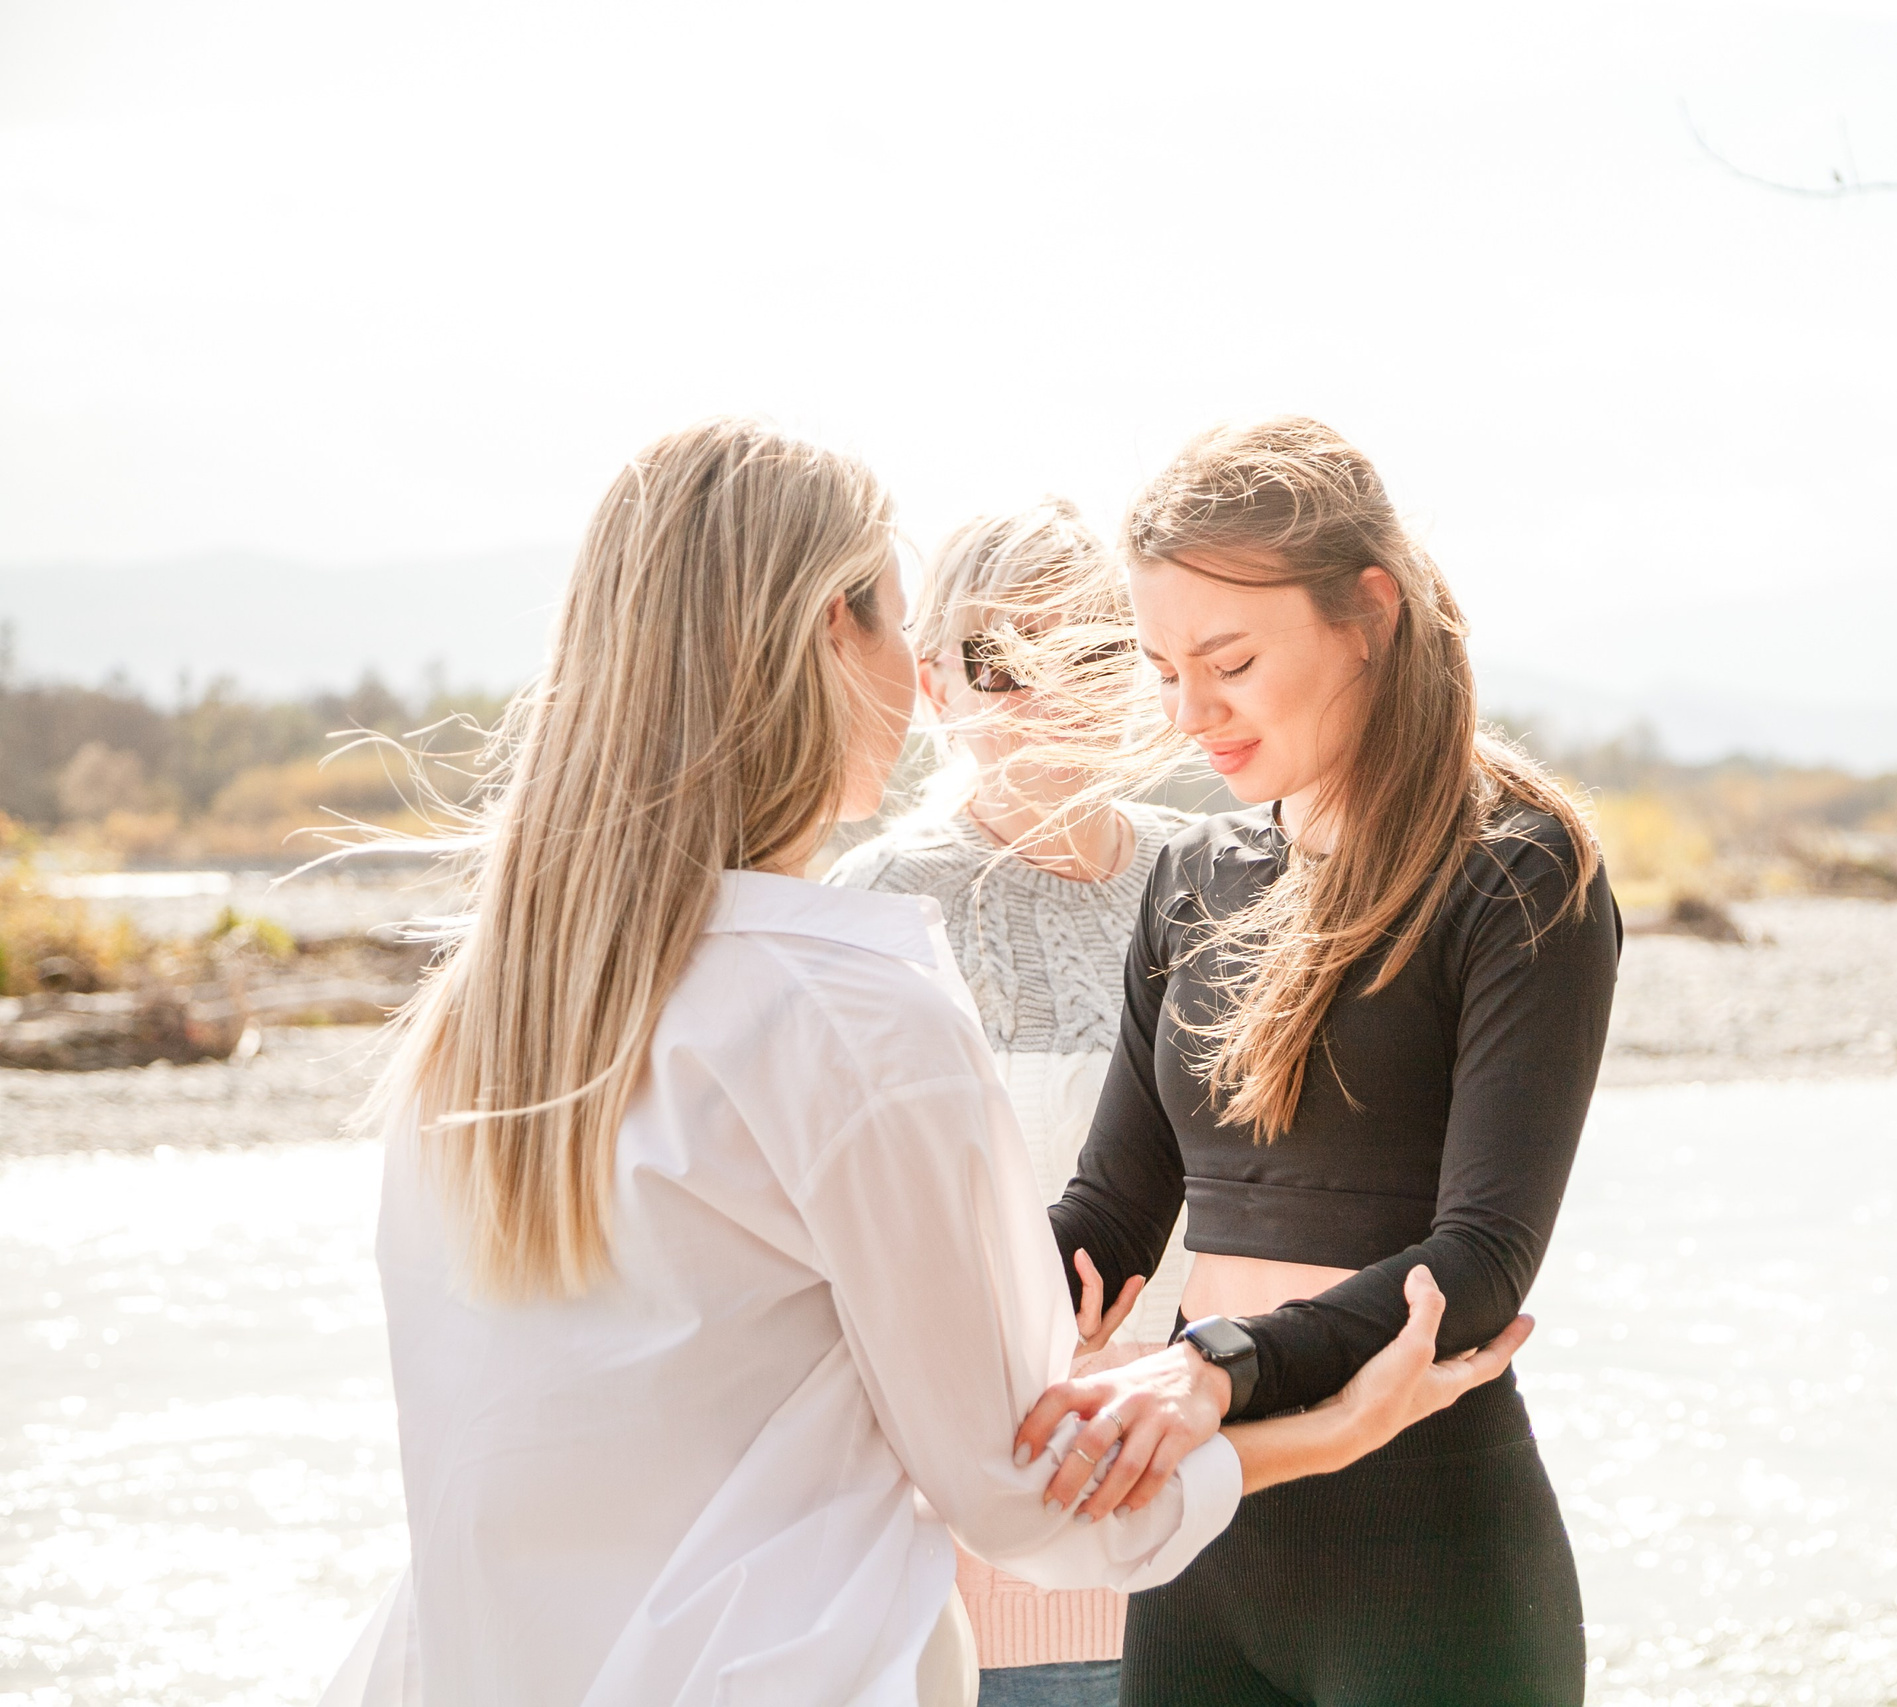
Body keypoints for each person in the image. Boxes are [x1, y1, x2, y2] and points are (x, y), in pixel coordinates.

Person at [318, 419, 1531, 1707]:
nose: (926, 677)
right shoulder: (850, 1003)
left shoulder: (479, 1015)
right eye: (906, 627)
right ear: (829, 639)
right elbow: (1016, 1496)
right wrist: (1331, 1432)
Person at [1031, 416, 1621, 1706]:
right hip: (1201, 1547)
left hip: (1429, 1565)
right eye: (1161, 668)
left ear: (1368, 613)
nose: (1191, 712)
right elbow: (1110, 1220)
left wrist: (1216, 1362)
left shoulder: (1521, 875)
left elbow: (1479, 1265)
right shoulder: (1192, 879)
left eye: (1228, 661)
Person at [825, 498, 1195, 1706]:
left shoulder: (1214, 880)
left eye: (1087, 653)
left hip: (1215, 1528)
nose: (1044, 698)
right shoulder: (877, 904)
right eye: (998, 662)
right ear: (933, 684)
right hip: (985, 1550)